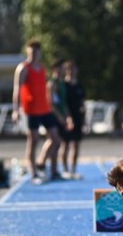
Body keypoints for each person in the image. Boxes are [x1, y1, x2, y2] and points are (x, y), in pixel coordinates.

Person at [12, 40, 62, 183]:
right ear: (27, 51)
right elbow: (17, 89)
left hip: (45, 109)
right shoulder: (23, 68)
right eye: (31, 51)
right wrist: (15, 110)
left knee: (56, 140)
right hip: (31, 110)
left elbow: (45, 89)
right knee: (33, 140)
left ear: (40, 52)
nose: (34, 53)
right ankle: (34, 173)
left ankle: (48, 167)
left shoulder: (42, 68)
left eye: (36, 51)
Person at [61, 60, 86, 178]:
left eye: (73, 69)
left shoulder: (79, 85)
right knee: (65, 144)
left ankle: (73, 169)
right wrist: (67, 117)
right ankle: (65, 169)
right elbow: (62, 102)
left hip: (78, 118)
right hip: (66, 118)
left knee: (76, 145)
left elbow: (82, 102)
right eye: (69, 69)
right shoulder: (63, 86)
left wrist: (84, 118)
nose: (71, 72)